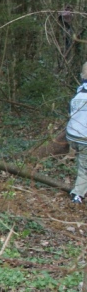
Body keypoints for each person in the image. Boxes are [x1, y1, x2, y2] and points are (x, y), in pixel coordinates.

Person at [67, 62, 87, 204]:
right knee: (84, 168)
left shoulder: (78, 94)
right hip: (83, 137)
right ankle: (77, 195)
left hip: (72, 134)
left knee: (83, 163)